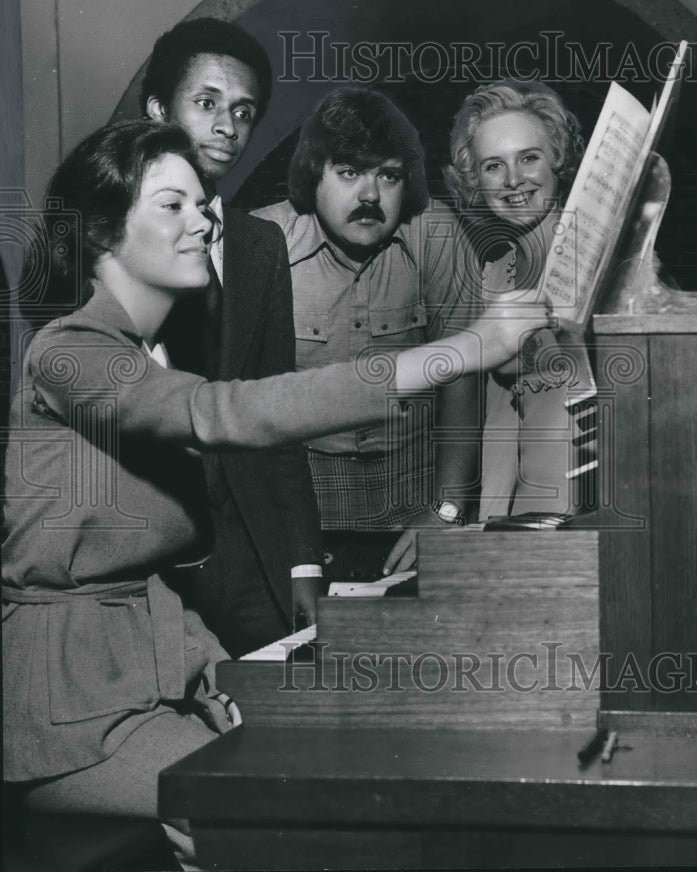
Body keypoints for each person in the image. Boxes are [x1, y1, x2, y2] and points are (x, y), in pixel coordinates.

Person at [2, 118, 550, 869]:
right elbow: (222, 412)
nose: (203, 219)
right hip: (66, 713)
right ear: (103, 233)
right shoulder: (67, 353)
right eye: (172, 205)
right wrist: (464, 349)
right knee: (296, 814)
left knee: (340, 775)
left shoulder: (146, 354)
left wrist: (205, 671)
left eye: (203, 202)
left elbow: (130, 577)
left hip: (138, 680)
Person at [141, 17, 324, 656]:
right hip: (145, 555)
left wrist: (303, 560)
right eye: (207, 103)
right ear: (158, 110)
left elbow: (279, 409)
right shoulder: (100, 237)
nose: (228, 126)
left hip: (250, 553)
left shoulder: (259, 245)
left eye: (244, 111)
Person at [252, 87, 483, 581]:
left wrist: (446, 512)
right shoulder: (261, 243)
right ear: (314, 175)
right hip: (301, 486)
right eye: (350, 172)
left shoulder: (437, 235)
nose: (371, 195)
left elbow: (464, 378)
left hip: (417, 478)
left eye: (388, 175)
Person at [446, 79, 595, 521]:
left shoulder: (602, 253)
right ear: (475, 179)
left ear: (557, 158)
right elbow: (499, 424)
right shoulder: (493, 274)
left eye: (528, 158)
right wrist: (478, 528)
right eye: (493, 166)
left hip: (594, 508)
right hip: (527, 520)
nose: (513, 180)